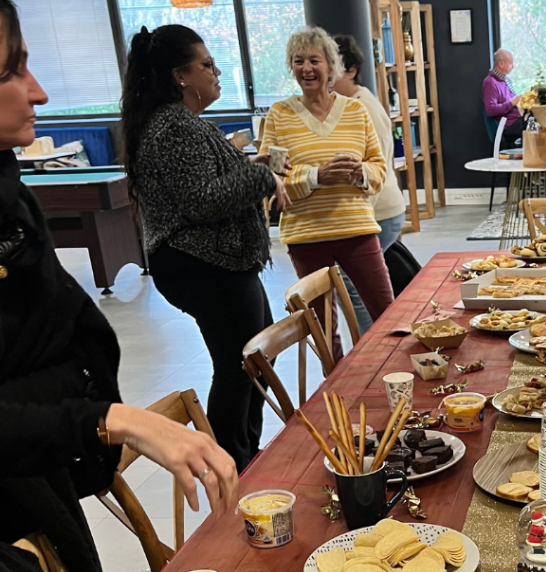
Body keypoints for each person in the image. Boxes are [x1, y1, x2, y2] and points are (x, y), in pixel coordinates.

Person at [0, 3, 237, 569]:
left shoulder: (9, 190)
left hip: (39, 472)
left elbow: (50, 339)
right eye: (11, 70)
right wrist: (111, 417)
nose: (38, 93)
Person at [121, 24, 288, 473]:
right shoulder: (174, 126)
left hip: (212, 263)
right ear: (180, 75)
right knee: (241, 367)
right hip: (203, 265)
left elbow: (206, 185)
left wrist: (254, 167)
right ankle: (233, 470)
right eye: (207, 65)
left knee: (255, 359)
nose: (217, 73)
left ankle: (245, 459)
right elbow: (202, 200)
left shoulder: (179, 122)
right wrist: (261, 176)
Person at [260, 27, 393, 361]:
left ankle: (392, 376)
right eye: (298, 61)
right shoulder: (279, 115)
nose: (307, 68)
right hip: (306, 237)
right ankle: (333, 395)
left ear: (331, 66)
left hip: (358, 230)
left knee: (388, 315)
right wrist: (316, 177)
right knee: (321, 327)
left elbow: (379, 168)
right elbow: (270, 178)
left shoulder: (356, 111)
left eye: (314, 60)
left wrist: (359, 172)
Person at [334, 35, 405, 335]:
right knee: (360, 286)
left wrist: (360, 217)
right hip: (374, 211)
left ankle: (372, 349)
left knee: (353, 286)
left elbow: (377, 165)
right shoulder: (349, 104)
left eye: (330, 67)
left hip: (380, 211)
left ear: (350, 70)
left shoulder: (363, 106)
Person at [482, 49, 524, 142]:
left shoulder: (506, 80)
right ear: (501, 64)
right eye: (511, 64)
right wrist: (511, 103)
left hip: (517, 119)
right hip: (509, 125)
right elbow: (490, 110)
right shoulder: (490, 83)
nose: (513, 67)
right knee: (534, 127)